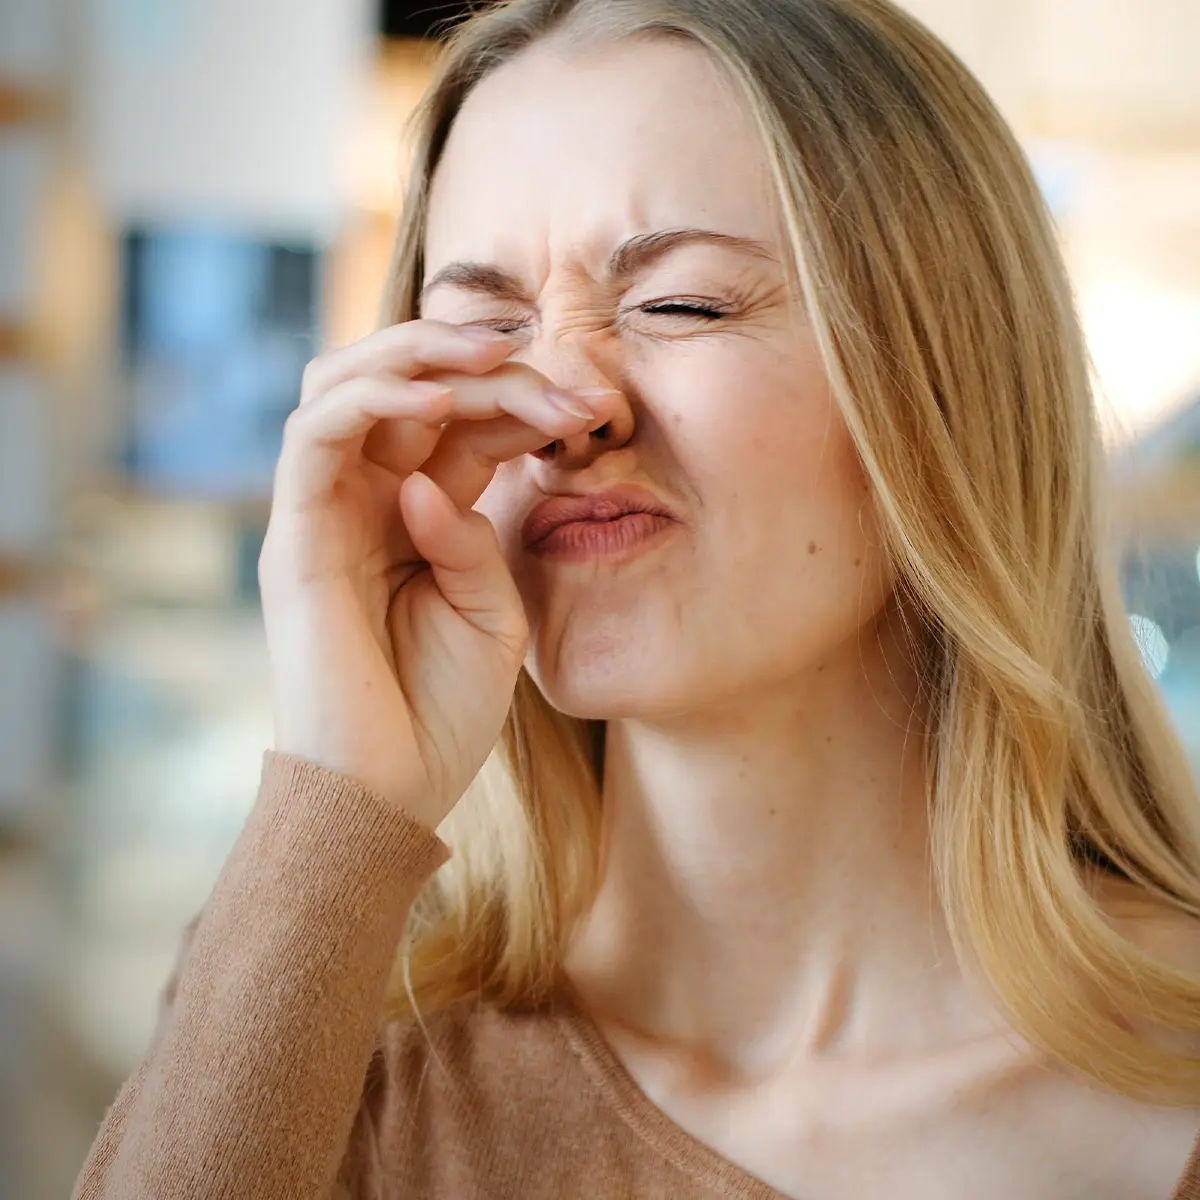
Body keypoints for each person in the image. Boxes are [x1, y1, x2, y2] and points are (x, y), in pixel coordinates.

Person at [74, 0, 1200, 1196]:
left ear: (949, 386)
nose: (565, 405)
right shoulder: (328, 1072)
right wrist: (342, 792)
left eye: (682, 305)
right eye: (484, 336)